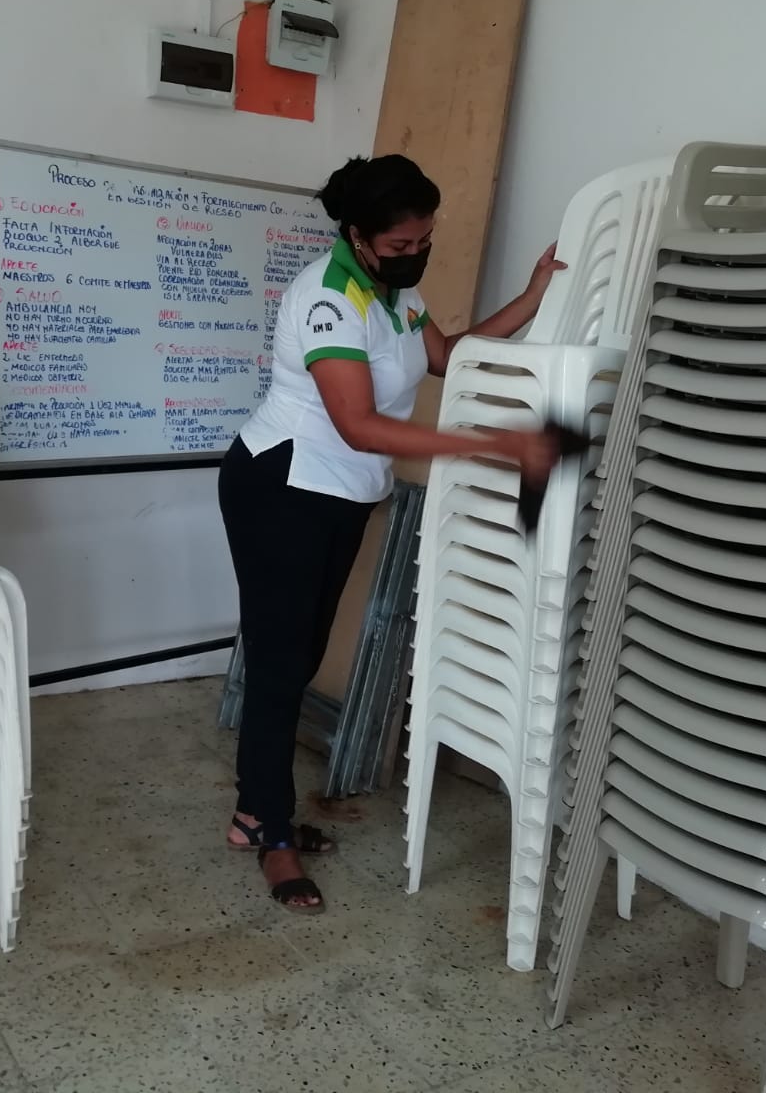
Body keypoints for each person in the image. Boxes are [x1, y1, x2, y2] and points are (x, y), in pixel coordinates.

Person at [219, 153, 566, 913]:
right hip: (282, 487)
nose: (417, 254)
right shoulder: (328, 298)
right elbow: (360, 424)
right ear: (358, 234)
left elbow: (450, 356)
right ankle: (268, 830)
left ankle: (255, 812)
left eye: (425, 241)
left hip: (339, 494)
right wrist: (494, 444)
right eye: (402, 244)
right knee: (280, 663)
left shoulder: (393, 293)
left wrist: (533, 295)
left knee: (299, 654)